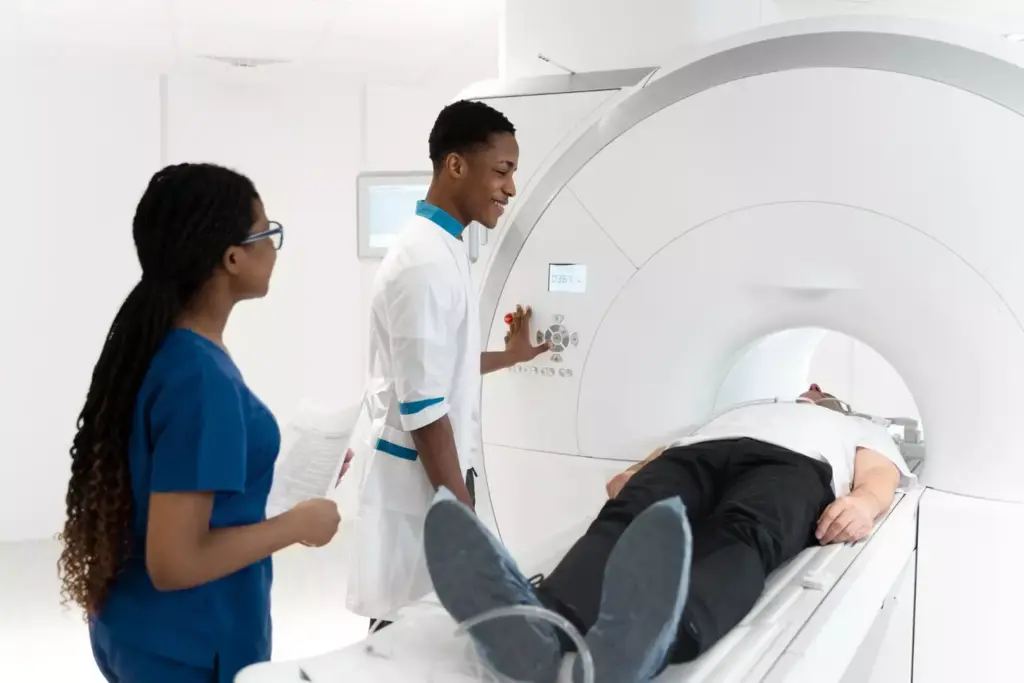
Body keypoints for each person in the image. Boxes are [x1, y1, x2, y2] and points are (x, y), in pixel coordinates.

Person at [56, 163, 343, 683]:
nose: (275, 248)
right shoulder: (201, 378)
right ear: (232, 258)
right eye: (267, 233)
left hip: (137, 630)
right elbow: (175, 563)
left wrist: (284, 483)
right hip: (190, 646)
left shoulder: (165, 348)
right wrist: (297, 525)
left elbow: (174, 484)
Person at [420, 384, 917, 683]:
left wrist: (863, 503)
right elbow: (674, 447)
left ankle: (654, 636)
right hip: (699, 452)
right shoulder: (744, 407)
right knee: (631, 512)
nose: (811, 391)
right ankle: (535, 627)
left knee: (745, 534)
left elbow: (879, 475)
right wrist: (638, 470)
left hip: (792, 465)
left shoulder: (849, 425)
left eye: (820, 392)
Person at [347, 99, 550, 633]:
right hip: (417, 489)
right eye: (502, 171)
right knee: (402, 638)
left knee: (426, 631)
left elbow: (439, 366)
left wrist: (512, 355)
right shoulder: (422, 263)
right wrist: (467, 526)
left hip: (437, 480)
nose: (510, 188)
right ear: (456, 164)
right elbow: (424, 407)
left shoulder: (446, 247)